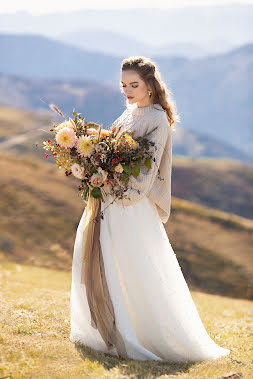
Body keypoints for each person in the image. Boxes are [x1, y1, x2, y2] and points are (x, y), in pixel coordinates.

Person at [69, 56, 230, 362]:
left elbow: (147, 169)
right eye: (123, 85)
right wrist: (91, 160)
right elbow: (112, 147)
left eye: (134, 85)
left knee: (135, 266)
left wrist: (120, 193)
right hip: (110, 197)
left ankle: (140, 334)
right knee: (111, 263)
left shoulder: (156, 118)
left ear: (150, 85)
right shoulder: (131, 112)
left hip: (130, 204)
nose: (127, 91)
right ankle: (109, 328)